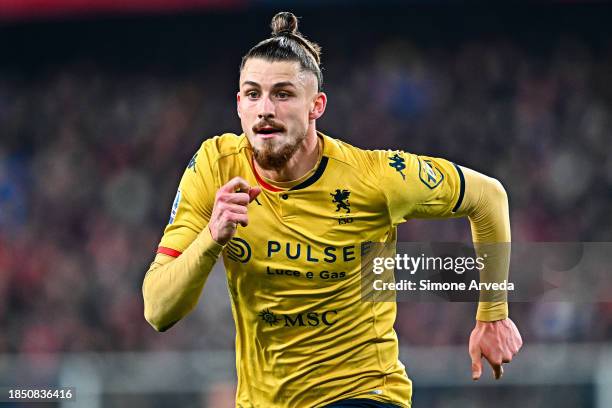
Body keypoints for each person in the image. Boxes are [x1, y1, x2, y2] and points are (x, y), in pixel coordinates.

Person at [142, 11, 522, 408]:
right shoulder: (214, 167)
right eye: (253, 94)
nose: (265, 109)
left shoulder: (374, 177)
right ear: (239, 105)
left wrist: (493, 314)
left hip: (364, 393)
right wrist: (211, 238)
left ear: (316, 106)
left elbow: (488, 196)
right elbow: (158, 309)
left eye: (283, 94)